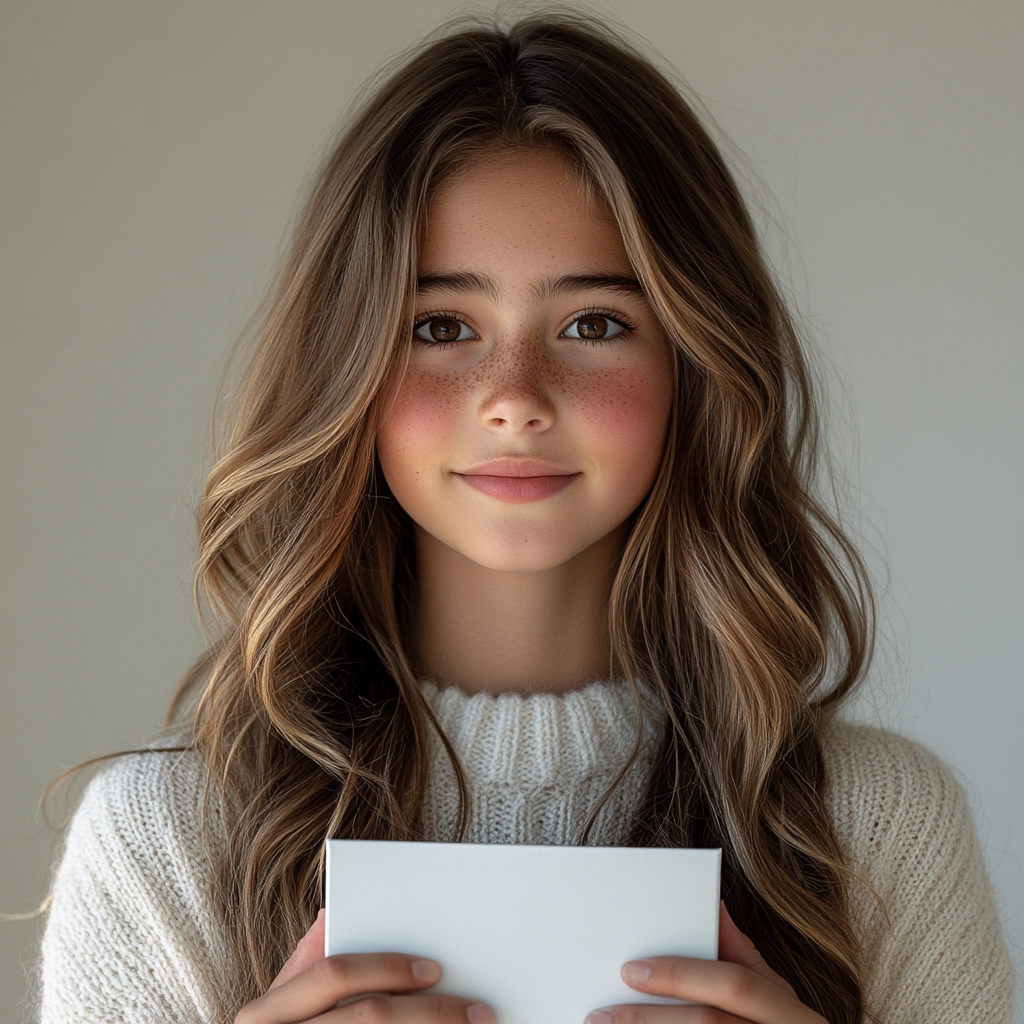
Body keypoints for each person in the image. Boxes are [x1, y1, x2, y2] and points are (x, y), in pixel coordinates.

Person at [37, 15, 1013, 1024]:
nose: (515, 396)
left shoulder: (879, 827)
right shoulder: (165, 842)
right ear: (347, 367)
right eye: (441, 326)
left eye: (593, 323)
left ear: (695, 365)